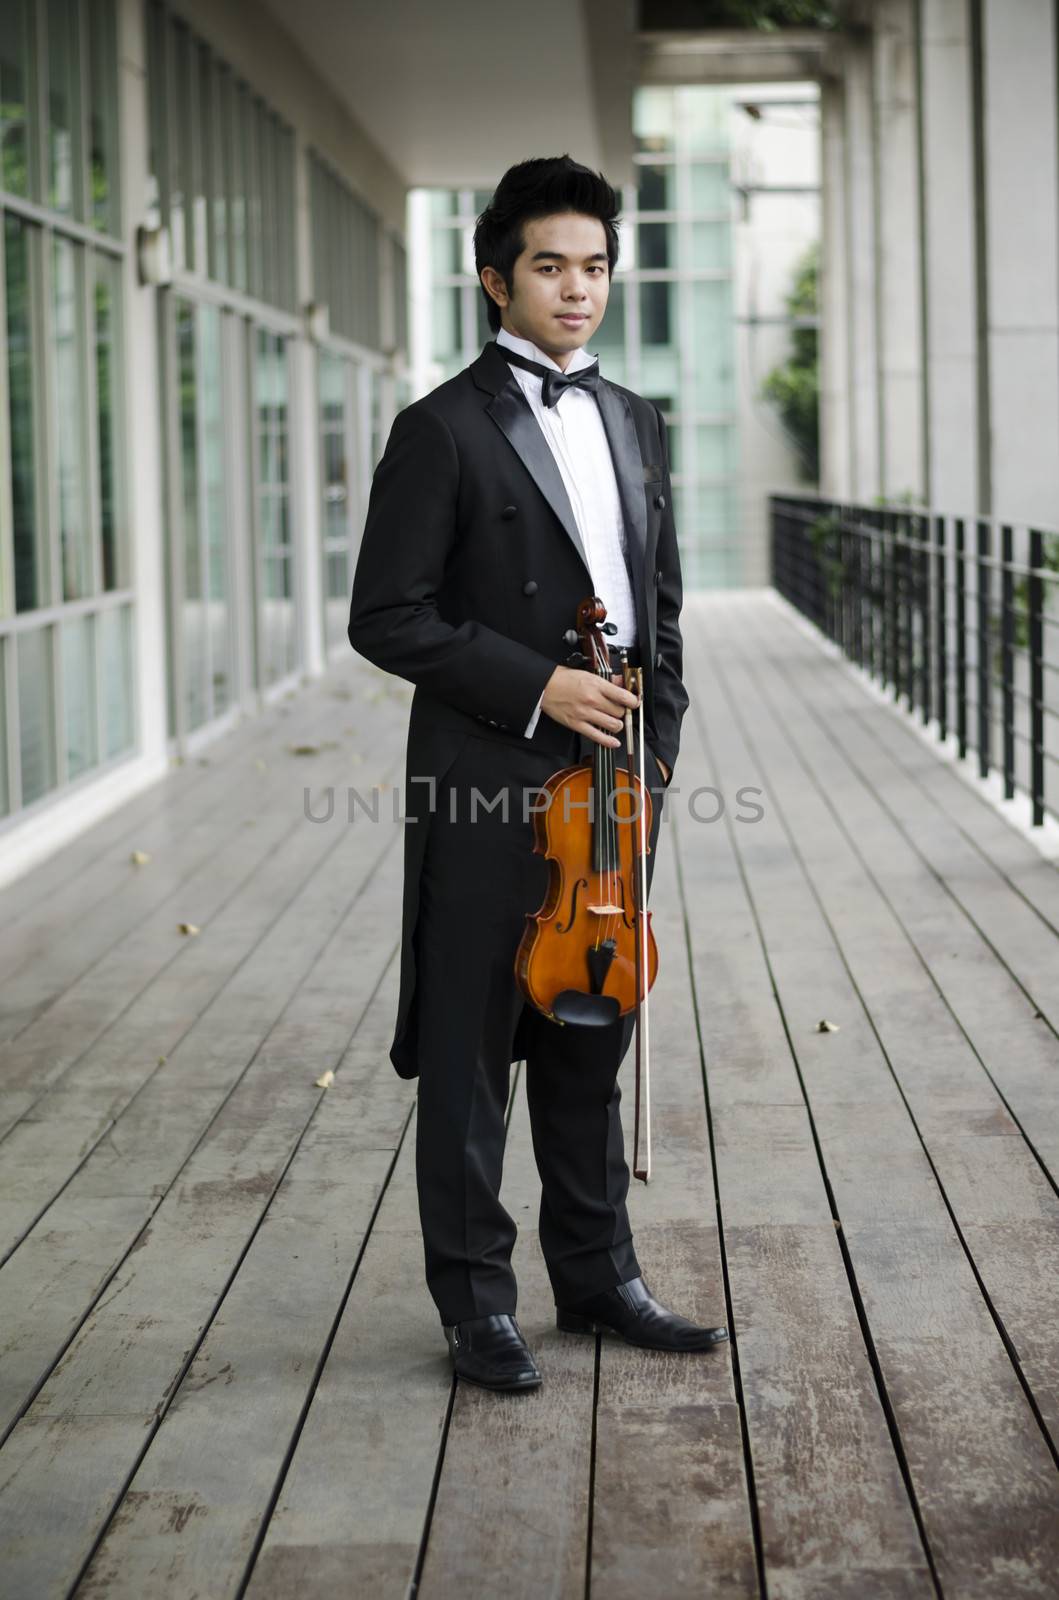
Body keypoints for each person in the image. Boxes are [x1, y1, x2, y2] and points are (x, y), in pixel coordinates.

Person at [348, 155, 729, 1392]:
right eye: (552, 266)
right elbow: (385, 616)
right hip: (484, 774)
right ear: (494, 277)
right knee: (470, 1043)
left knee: (589, 1032)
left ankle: (600, 1276)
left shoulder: (636, 418)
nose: (579, 289)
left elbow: (659, 608)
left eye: (596, 267)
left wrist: (653, 745)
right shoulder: (441, 428)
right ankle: (476, 1306)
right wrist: (535, 685)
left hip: (614, 785)